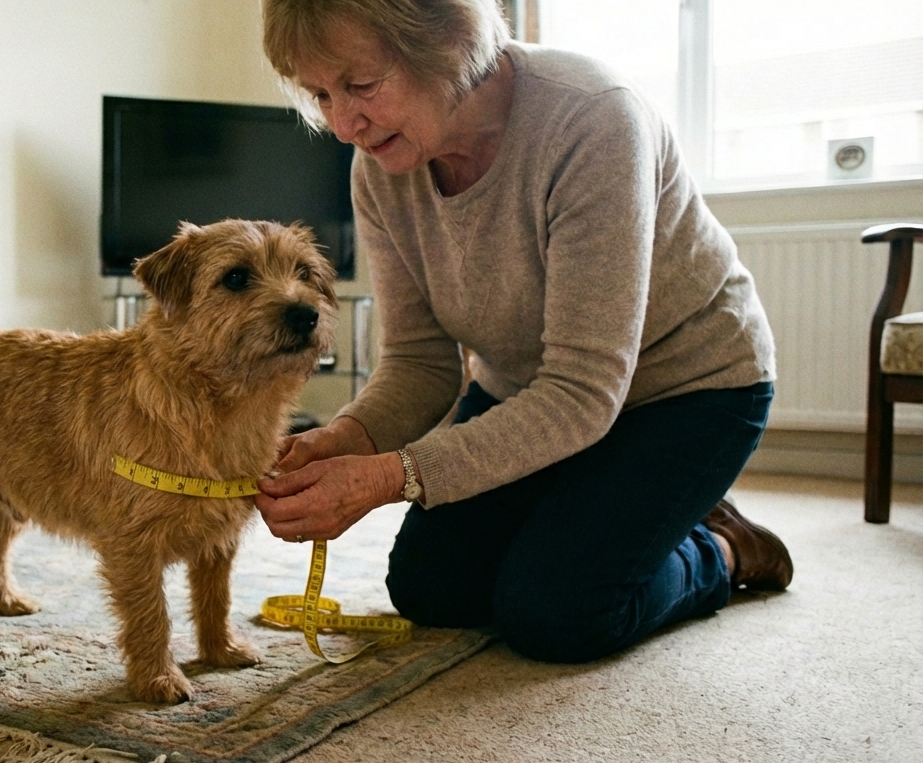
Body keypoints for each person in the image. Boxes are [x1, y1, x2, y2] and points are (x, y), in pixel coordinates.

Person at [253, 0, 793, 664]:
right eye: (320, 95)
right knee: (431, 588)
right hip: (531, 391)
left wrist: (386, 477)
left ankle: (724, 546)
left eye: (361, 86)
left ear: (447, 41)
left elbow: (582, 391)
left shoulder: (594, 119)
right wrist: (344, 440)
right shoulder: (378, 171)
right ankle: (613, 509)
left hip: (688, 392)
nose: (342, 125)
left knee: (558, 613)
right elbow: (422, 360)